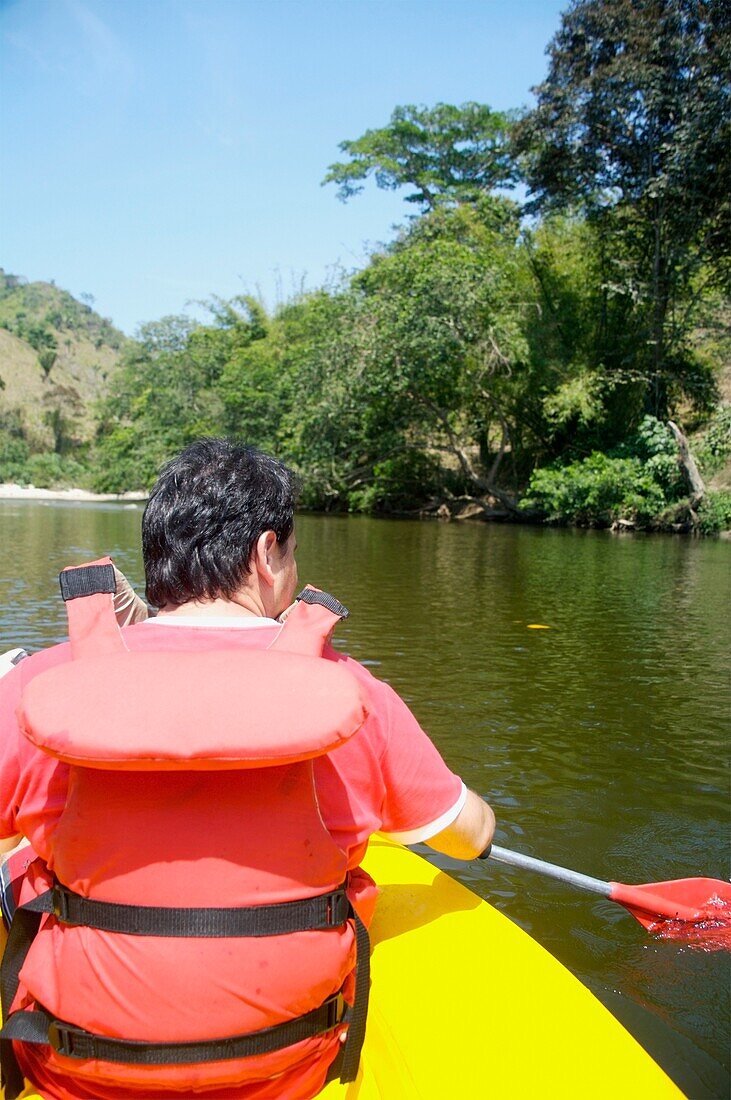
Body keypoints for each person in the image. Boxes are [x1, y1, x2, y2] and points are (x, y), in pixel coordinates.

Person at [0, 438, 495, 1100]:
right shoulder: (350, 691)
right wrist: (478, 818)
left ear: (158, 557)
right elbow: (470, 837)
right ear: (267, 554)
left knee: (14, 868)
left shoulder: (37, 683)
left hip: (71, 1070)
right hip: (288, 1069)